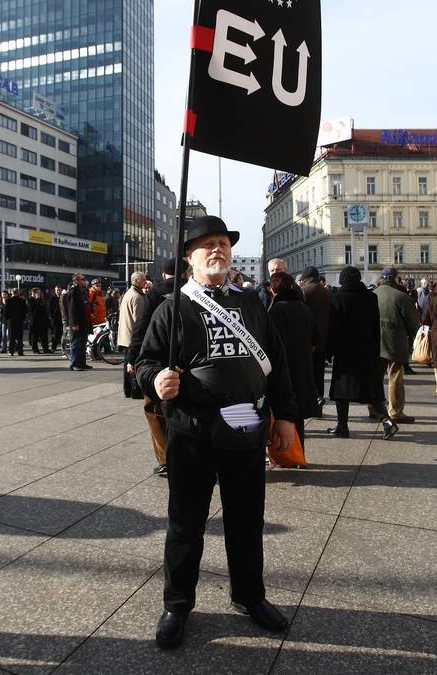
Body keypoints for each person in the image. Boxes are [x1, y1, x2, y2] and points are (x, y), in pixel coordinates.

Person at [136, 216, 297, 650]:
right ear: (189, 257)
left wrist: (285, 417)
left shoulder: (251, 305)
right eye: (206, 244)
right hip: (191, 433)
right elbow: (144, 361)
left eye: (223, 243)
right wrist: (156, 380)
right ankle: (177, 604)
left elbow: (277, 365)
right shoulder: (171, 307)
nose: (217, 250)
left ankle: (250, 596)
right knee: (185, 525)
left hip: (246, 430)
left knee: (246, 521)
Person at [127, 257, 190, 477]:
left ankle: (165, 458)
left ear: (164, 275)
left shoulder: (154, 293)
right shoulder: (195, 289)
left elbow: (141, 328)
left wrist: (133, 357)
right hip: (188, 361)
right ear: (185, 273)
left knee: (153, 409)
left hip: (157, 359)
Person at [326, 267, 399, 439]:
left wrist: (329, 351)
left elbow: (333, 329)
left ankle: (342, 426)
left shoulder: (338, 298)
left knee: (341, 392)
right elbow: (375, 326)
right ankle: (387, 422)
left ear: (343, 280)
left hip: (345, 352)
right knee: (371, 390)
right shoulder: (370, 297)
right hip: (366, 350)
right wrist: (375, 348)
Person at [268, 271, 319, 453]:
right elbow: (315, 337)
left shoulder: (276, 309)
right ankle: (299, 451)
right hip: (303, 364)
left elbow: (274, 343)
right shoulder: (304, 308)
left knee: (282, 410)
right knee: (297, 413)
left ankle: (287, 453)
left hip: (284, 367)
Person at [375, 267, 421, 423]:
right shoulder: (401, 297)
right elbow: (414, 323)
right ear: (395, 279)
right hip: (395, 342)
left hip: (375, 342)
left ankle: (375, 408)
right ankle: (395, 411)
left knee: (376, 376)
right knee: (395, 376)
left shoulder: (372, 295)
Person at [298, 266, 332, 417]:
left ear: (305, 278)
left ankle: (310, 405)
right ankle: (319, 401)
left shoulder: (304, 292)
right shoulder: (326, 292)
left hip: (307, 341)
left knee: (306, 375)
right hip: (323, 341)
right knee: (319, 374)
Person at [118, 271, 148, 398]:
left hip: (126, 335)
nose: (145, 281)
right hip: (132, 337)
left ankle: (128, 390)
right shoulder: (137, 297)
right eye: (143, 279)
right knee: (134, 364)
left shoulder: (129, 293)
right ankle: (135, 391)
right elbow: (140, 320)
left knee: (128, 365)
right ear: (136, 281)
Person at [65, 273, 92, 371]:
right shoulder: (74, 291)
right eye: (82, 279)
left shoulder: (82, 291)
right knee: (76, 343)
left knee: (83, 343)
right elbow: (72, 310)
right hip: (77, 322)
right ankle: (75, 363)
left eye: (84, 279)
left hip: (83, 321)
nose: (84, 281)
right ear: (76, 280)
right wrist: (74, 324)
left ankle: (82, 363)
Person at [4, 289, 28, 356]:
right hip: (20, 321)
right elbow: (25, 311)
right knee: (20, 338)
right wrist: (23, 318)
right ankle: (20, 352)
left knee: (12, 338)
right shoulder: (22, 301)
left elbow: (6, 312)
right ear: (18, 293)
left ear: (12, 293)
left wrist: (7, 319)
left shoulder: (8, 301)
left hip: (11, 322)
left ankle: (11, 351)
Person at [28, 287, 50, 353]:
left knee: (44, 336)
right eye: (37, 292)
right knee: (35, 336)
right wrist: (37, 299)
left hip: (42, 320)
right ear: (33, 293)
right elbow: (32, 309)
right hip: (35, 321)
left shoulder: (41, 299)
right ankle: (35, 349)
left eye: (39, 292)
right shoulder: (31, 300)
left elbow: (44, 308)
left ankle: (46, 349)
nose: (39, 294)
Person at [48, 285, 63, 352]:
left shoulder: (63, 298)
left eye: (59, 290)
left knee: (62, 333)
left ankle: (63, 348)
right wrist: (52, 316)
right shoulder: (52, 298)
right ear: (55, 291)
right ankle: (53, 347)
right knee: (55, 333)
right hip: (55, 319)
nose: (58, 291)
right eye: (57, 290)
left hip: (62, 319)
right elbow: (49, 309)